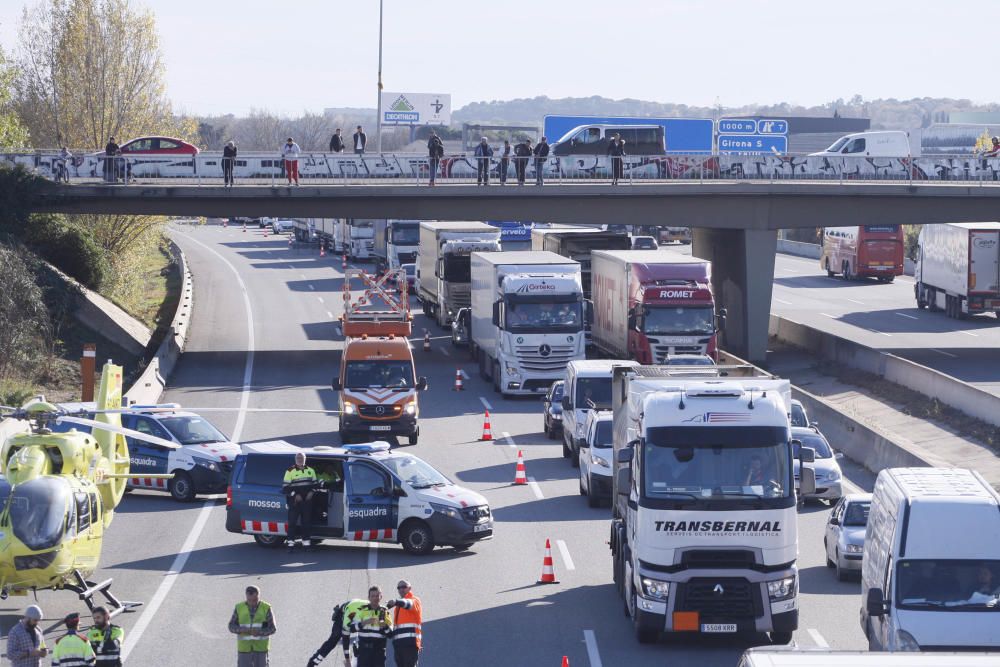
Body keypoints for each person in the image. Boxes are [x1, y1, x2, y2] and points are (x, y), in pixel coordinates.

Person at [305, 598, 366, 667]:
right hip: (344, 615)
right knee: (332, 641)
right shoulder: (349, 618)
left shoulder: (375, 614)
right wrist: (348, 660)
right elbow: (346, 640)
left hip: (357, 612)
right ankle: (312, 663)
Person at [229, 585, 276, 667]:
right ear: (246, 596)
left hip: (261, 649)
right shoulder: (239, 608)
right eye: (249, 600)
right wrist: (241, 630)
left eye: (255, 600)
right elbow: (231, 626)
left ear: (258, 596)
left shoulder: (266, 608)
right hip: (244, 649)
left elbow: (273, 628)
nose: (252, 603)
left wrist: (259, 632)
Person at [283, 451, 317, 551]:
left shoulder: (311, 470)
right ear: (295, 459)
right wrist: (295, 495)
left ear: (305, 459)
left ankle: (306, 544)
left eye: (301, 458)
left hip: (307, 501)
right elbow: (285, 488)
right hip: (294, 502)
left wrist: (312, 492)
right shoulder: (290, 471)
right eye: (298, 458)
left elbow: (315, 485)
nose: (299, 459)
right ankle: (290, 545)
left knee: (306, 523)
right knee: (292, 523)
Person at [350, 586, 392, 667]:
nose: (375, 598)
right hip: (363, 652)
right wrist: (364, 623)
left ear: (381, 597)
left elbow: (390, 634)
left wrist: (384, 626)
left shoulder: (385, 611)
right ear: (368, 597)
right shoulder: (360, 610)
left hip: (378, 652)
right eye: (373, 596)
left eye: (377, 596)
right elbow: (351, 628)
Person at [388, 580, 422, 667]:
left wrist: (396, 601)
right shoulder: (398, 607)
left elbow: (409, 604)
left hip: (410, 645)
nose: (401, 589)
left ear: (409, 588)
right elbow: (397, 628)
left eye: (404, 587)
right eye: (399, 587)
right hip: (399, 646)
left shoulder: (414, 600)